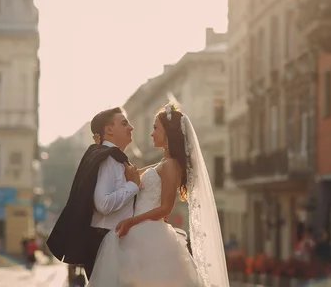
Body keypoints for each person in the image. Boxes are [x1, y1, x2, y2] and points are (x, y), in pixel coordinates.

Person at [89, 103, 229, 287]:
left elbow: (166, 208)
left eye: (155, 128)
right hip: (141, 230)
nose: (151, 133)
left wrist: (132, 221)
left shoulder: (170, 165)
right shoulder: (163, 163)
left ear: (168, 134)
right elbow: (134, 174)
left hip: (147, 231)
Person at [47, 107, 140, 279]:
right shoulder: (108, 159)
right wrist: (133, 185)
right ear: (109, 129)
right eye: (125, 123)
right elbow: (103, 204)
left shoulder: (109, 157)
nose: (131, 127)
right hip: (104, 242)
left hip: (107, 242)